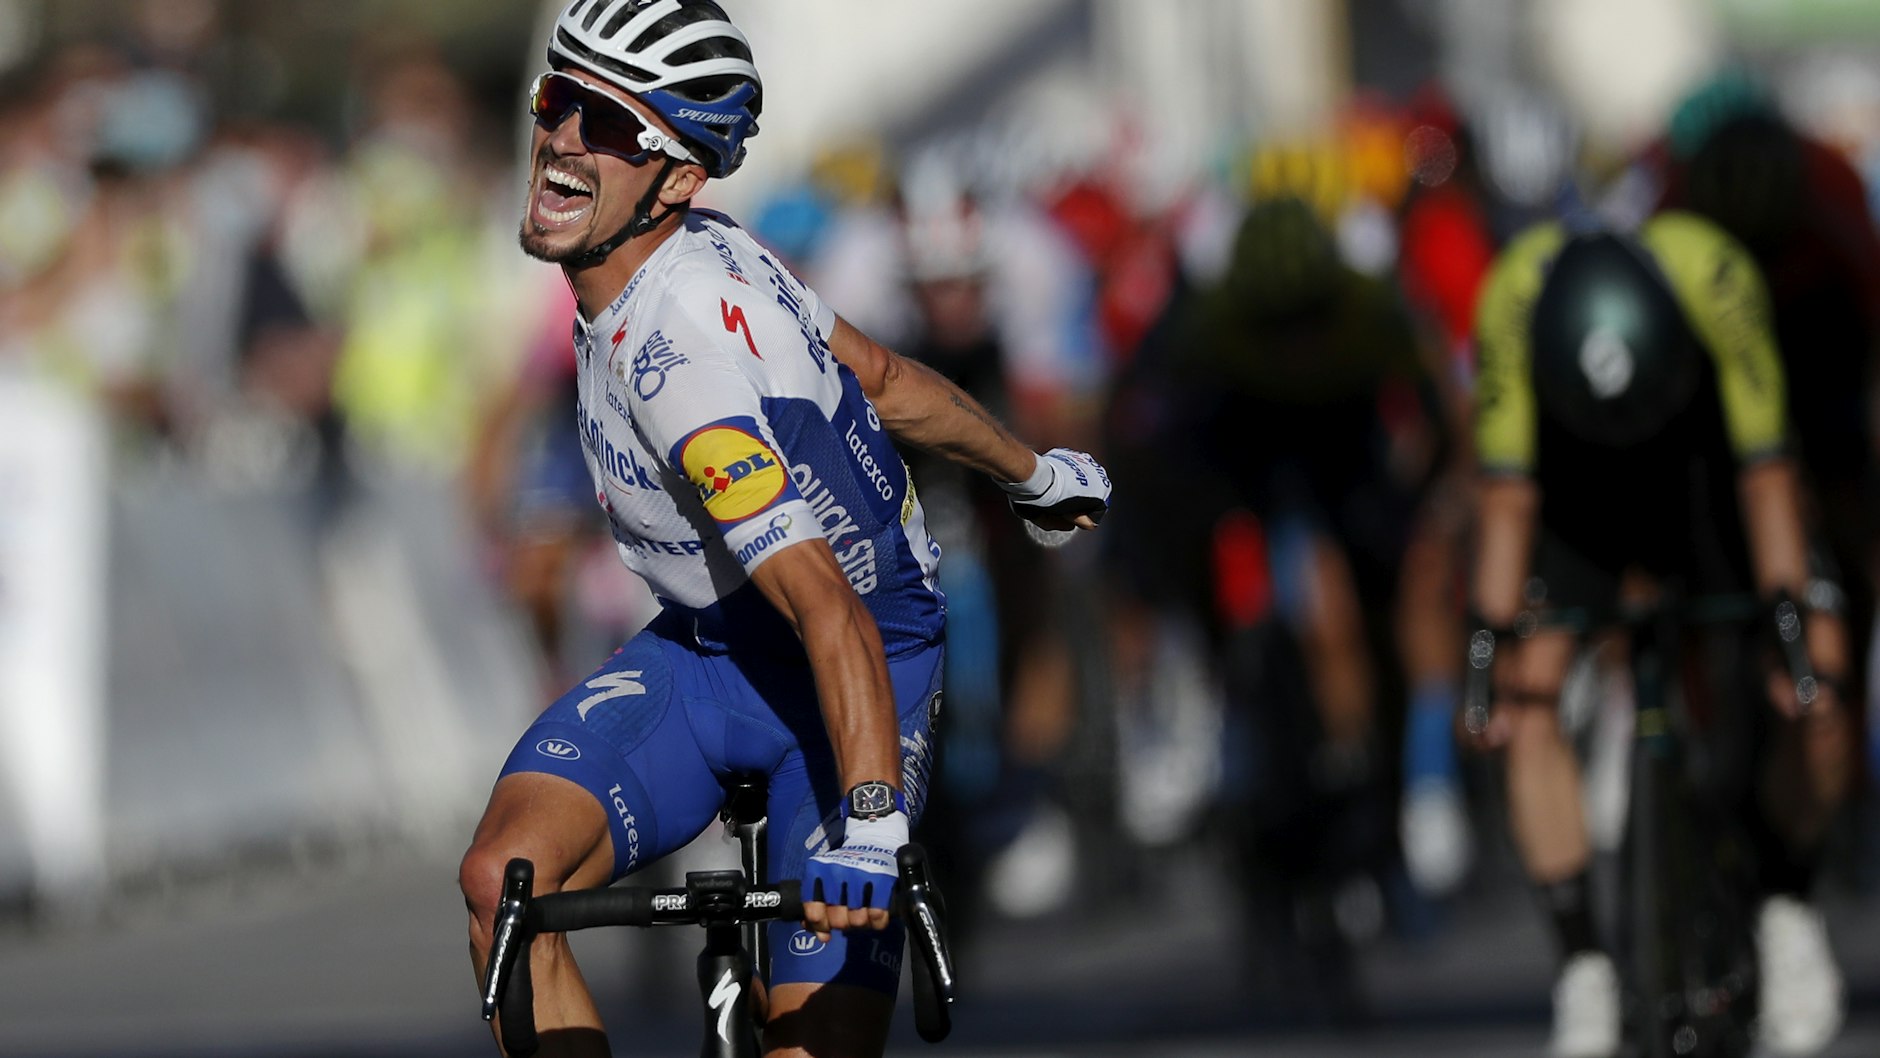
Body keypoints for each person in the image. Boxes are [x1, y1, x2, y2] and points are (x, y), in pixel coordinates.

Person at [455, 4, 1111, 1058]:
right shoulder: (718, 248)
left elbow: (826, 605)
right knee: (505, 881)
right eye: (558, 99)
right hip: (712, 649)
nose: (564, 138)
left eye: (608, 125)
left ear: (675, 178)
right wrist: (1030, 473)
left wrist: (871, 824)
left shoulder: (683, 371)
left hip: (856, 664)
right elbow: (881, 376)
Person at [1469, 211, 1853, 1058]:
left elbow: (1767, 475)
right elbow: (1507, 498)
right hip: (1575, 479)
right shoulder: (1511, 301)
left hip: (1705, 460)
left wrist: (1789, 631)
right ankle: (1583, 967)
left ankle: (1788, 905)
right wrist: (1487, 650)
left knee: (1820, 681)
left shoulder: (1717, 278)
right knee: (1526, 701)